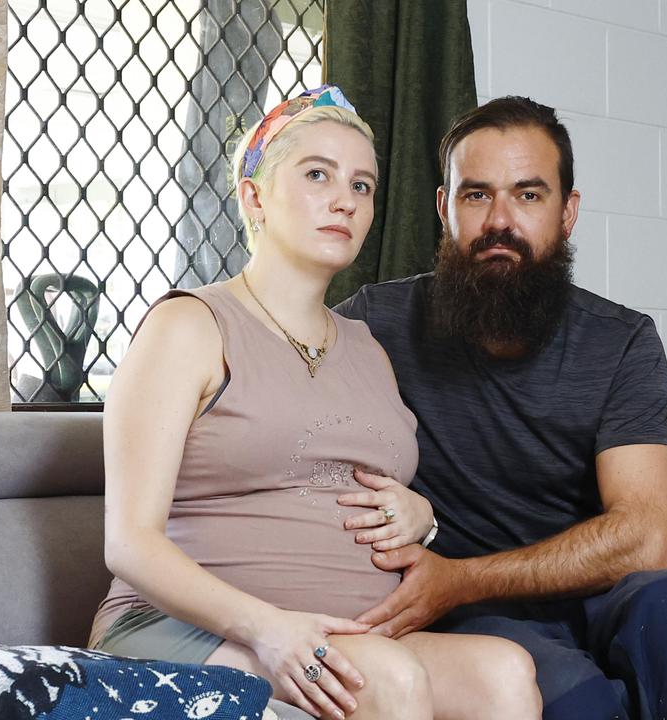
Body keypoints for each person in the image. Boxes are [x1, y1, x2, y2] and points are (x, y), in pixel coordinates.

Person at [90, 85, 542, 720]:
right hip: (183, 628)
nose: (344, 200)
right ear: (255, 197)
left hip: (352, 635)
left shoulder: (366, 346)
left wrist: (421, 515)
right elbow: (130, 544)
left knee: (505, 672)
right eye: (317, 175)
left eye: (362, 185)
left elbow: (360, 479)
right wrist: (269, 628)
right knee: (386, 679)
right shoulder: (189, 326)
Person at [336, 96, 667, 720]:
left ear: (568, 212)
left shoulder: (622, 340)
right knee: (578, 701)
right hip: (479, 618)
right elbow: (275, 376)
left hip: (602, 591)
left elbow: (647, 538)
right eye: (476, 195)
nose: (500, 220)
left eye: (529, 195)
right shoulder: (375, 322)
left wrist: (460, 577)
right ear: (445, 209)